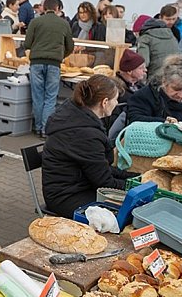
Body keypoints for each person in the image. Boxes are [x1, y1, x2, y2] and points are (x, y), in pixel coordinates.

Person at [42, 75, 139, 218]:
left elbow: (100, 167)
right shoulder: (85, 133)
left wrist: (135, 178)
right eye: (116, 99)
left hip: (77, 186)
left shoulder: (76, 115)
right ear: (105, 102)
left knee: (131, 205)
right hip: (67, 197)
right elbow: (104, 182)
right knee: (131, 212)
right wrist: (136, 187)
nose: (117, 103)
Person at [23, 0, 74, 138]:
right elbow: (70, 46)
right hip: (54, 64)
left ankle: (38, 128)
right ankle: (46, 130)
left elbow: (27, 43)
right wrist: (61, 55)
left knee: (37, 96)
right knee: (50, 98)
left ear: (43, 8)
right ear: (58, 8)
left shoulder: (35, 22)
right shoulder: (64, 24)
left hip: (36, 63)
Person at [107, 50, 147, 141]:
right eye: (141, 68)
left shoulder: (141, 87)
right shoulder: (116, 91)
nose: (145, 70)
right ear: (129, 71)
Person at [135, 14, 180, 79]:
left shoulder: (145, 38)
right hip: (174, 76)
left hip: (156, 78)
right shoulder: (172, 37)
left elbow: (143, 62)